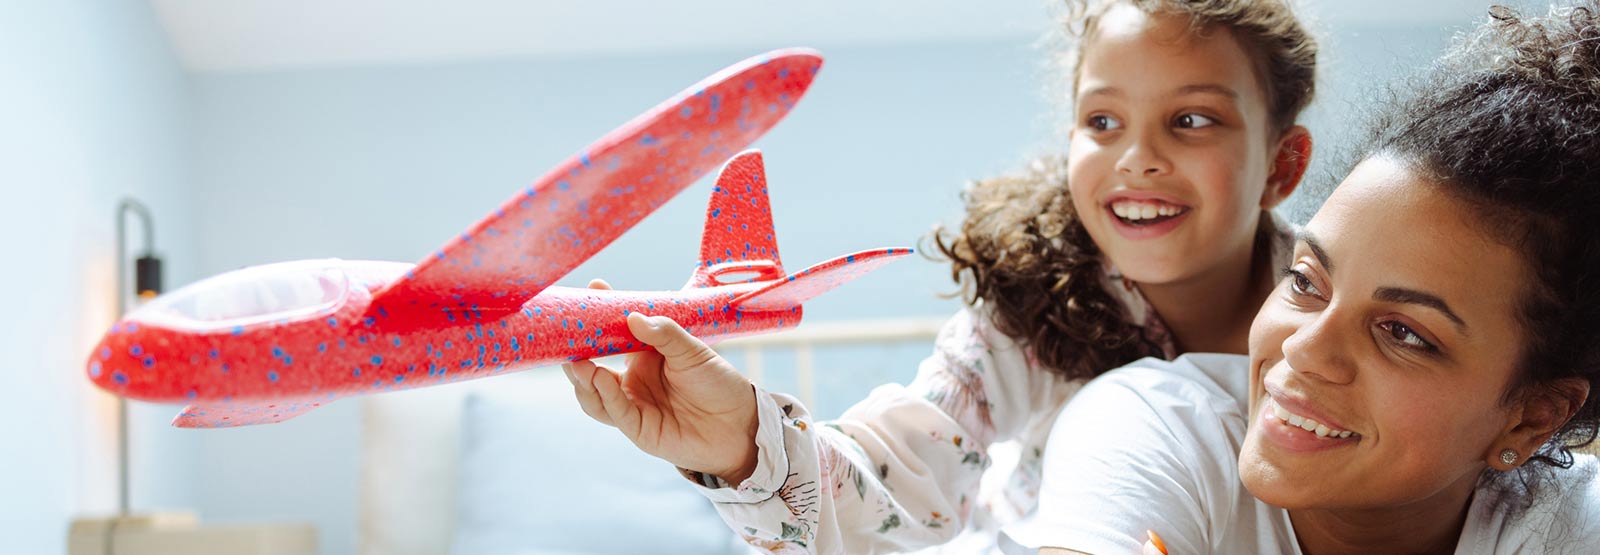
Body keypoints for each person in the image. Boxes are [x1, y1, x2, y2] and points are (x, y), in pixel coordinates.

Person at [565, 0, 1318, 552]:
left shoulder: (1336, 310)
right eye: (1102, 122)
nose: (1136, 157)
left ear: (1282, 165)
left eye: (1191, 120)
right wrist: (741, 445)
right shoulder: (1025, 318)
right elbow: (897, 474)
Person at [1004, 3, 1600, 553]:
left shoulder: (1570, 525)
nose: (1301, 348)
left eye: (1404, 333)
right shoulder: (1149, 433)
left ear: (1533, 416)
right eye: (1307, 282)